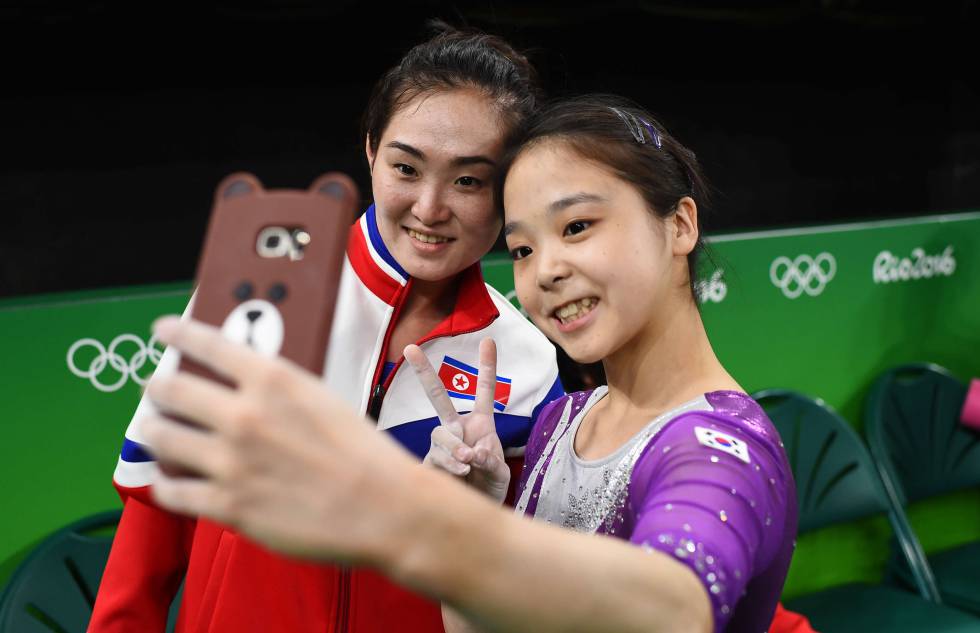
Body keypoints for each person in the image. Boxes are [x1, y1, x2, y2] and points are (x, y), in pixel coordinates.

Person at [139, 94, 798, 632]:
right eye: (521, 249)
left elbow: (677, 604)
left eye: (576, 227)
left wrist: (431, 528)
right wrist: (469, 512)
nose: (548, 271)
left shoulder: (720, 446)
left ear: (679, 224)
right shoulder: (564, 420)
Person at [88, 24, 562, 633]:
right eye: (406, 168)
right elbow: (158, 499)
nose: (429, 208)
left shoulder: (526, 363)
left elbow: (520, 595)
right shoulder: (261, 283)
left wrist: (479, 518)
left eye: (469, 180)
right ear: (370, 151)